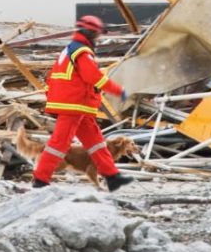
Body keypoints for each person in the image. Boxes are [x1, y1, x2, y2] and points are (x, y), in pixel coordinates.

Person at [32, 15, 134, 191]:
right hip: (74, 105)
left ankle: (112, 177)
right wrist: (119, 91)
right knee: (59, 144)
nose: (98, 38)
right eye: (97, 34)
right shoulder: (82, 52)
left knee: (97, 143)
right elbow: (93, 77)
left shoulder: (70, 50)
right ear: (91, 33)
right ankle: (40, 180)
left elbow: (53, 77)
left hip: (76, 105)